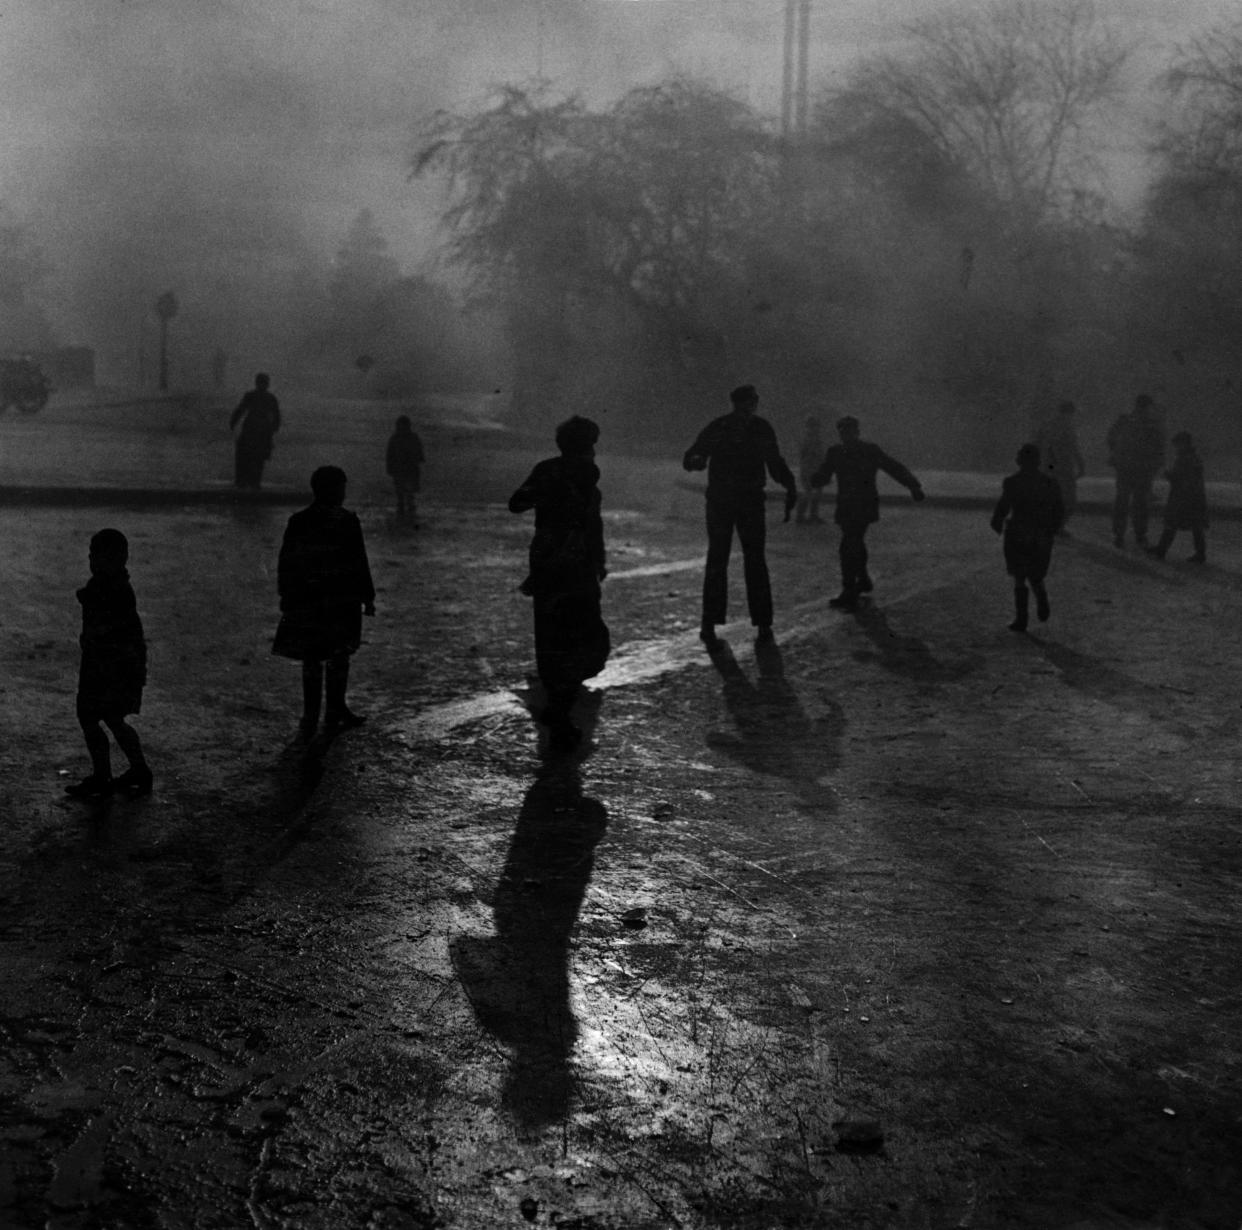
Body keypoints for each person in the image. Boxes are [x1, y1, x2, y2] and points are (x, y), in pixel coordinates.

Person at [509, 416, 611, 752]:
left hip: (546, 561)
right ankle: (560, 711)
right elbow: (590, 522)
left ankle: (558, 708)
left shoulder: (547, 470)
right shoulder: (585, 476)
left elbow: (517, 503)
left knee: (551, 634)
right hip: (575, 564)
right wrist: (598, 560)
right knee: (580, 635)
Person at [683, 385, 797, 648]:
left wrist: (696, 461)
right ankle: (759, 623)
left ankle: (714, 622)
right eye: (748, 402)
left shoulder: (723, 426)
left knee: (725, 559)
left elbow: (692, 456)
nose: (749, 406)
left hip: (728, 501)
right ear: (744, 403)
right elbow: (775, 463)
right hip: (743, 502)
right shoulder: (757, 428)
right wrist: (790, 486)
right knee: (746, 560)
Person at [272, 466, 376, 737]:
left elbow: (287, 563)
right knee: (337, 657)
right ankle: (333, 709)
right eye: (340, 488)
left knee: (314, 658)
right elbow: (359, 562)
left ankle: (313, 714)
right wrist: (367, 596)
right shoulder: (346, 521)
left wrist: (287, 596)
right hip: (340, 600)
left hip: (313, 601)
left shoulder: (300, 521)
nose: (343, 493)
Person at [66, 528, 152, 799]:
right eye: (92, 556)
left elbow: (109, 628)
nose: (93, 561)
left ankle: (104, 775)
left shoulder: (111, 589)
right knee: (111, 718)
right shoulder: (111, 586)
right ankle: (137, 769)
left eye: (99, 556)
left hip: (108, 666)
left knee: (93, 717)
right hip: (110, 665)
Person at [809, 415, 925, 611]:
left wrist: (913, 485)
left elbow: (893, 467)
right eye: (844, 432)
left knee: (849, 544)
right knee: (855, 541)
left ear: (855, 432)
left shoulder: (841, 452)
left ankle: (850, 587)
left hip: (854, 504)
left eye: (848, 431)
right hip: (859, 504)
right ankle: (861, 578)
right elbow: (893, 467)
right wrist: (913, 485)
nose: (846, 435)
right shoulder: (863, 451)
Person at [990, 443, 1066, 632]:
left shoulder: (1012, 482)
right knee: (1036, 574)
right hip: (1040, 533)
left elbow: (1003, 506)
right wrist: (1053, 528)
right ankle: (1041, 598)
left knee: (1019, 575)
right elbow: (1059, 509)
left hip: (1018, 532)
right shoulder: (1049, 483)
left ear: (1020, 461)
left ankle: (1021, 618)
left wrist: (997, 522)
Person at [1106, 393, 1165, 548]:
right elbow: (1159, 446)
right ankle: (1140, 535)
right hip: (1143, 468)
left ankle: (1119, 534)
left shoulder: (1124, 420)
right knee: (1141, 503)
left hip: (1125, 466)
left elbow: (1111, 438)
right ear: (1148, 406)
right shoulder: (1151, 423)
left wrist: (1117, 455)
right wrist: (1155, 464)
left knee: (1122, 501)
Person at [1147, 431, 1208, 564]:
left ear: (1183, 444)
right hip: (1193, 497)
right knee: (1195, 526)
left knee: (1172, 523)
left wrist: (1169, 475)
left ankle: (1162, 550)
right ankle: (1200, 553)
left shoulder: (1185, 458)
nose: (1176, 448)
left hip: (1184, 497)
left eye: (1177, 445)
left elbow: (1181, 478)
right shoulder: (1192, 457)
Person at [1034, 400, 1085, 532]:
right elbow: (1074, 448)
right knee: (1069, 500)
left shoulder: (1047, 425)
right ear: (1070, 413)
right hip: (1064, 467)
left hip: (1048, 467)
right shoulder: (1068, 427)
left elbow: (1037, 444)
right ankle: (1058, 526)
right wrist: (1081, 465)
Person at [229, 372, 281, 490]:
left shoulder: (251, 396)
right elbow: (276, 416)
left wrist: (233, 422)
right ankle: (254, 482)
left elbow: (240, 410)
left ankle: (242, 481)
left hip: (251, 428)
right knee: (258, 457)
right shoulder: (270, 398)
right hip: (263, 430)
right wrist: (274, 428)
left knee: (245, 455)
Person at [385, 414, 426, 519]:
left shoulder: (397, 438)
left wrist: (390, 467)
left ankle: (405, 507)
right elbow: (390, 455)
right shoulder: (407, 438)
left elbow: (390, 455)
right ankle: (406, 508)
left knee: (405, 491)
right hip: (404, 469)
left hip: (405, 469)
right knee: (404, 491)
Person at [795, 416, 826, 524]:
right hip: (809, 470)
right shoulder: (808, 439)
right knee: (809, 492)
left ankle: (813, 515)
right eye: (814, 426)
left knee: (817, 493)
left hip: (815, 469)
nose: (816, 429)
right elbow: (810, 454)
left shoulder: (815, 439)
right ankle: (801, 516)